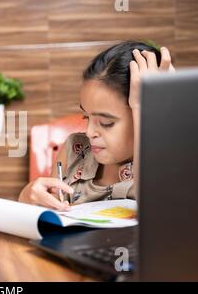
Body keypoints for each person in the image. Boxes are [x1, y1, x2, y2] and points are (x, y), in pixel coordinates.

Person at [19, 41, 174, 210]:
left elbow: (159, 209)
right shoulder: (74, 150)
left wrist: (150, 106)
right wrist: (27, 196)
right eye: (86, 117)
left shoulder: (171, 161)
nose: (89, 132)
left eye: (106, 123)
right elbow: (47, 214)